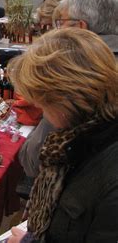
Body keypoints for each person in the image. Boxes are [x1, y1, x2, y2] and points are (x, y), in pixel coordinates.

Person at [8, 28, 118, 243]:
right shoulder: (78, 139)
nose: (42, 113)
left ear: (64, 103)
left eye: (42, 105)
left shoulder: (108, 173)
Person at [18, 0, 118, 182]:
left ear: (80, 27)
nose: (56, 30)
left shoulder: (78, 73)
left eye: (60, 23)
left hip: (81, 191)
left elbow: (34, 159)